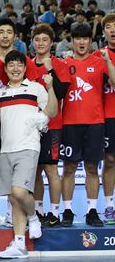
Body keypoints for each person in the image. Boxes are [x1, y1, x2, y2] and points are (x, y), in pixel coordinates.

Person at [0, 51, 56, 259]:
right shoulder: (0, 93)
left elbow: (51, 112)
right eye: (11, 65)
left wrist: (51, 87)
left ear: (25, 68)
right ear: (5, 69)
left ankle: (33, 216)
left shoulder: (36, 89)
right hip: (6, 150)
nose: (15, 68)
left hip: (28, 146)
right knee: (13, 198)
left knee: (19, 192)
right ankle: (19, 244)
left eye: (19, 65)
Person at [0, 19, 39, 227]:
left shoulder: (24, 61)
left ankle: (10, 211)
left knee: (13, 168)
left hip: (17, 122)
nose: (5, 35)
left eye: (9, 32)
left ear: (15, 36)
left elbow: (32, 88)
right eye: (1, 32)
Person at [60, 23, 115, 227]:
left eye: (85, 38)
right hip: (70, 122)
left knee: (92, 167)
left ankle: (92, 210)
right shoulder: (63, 63)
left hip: (95, 123)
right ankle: (67, 211)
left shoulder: (99, 62)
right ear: (72, 41)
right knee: (69, 167)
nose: (81, 42)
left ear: (90, 41)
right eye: (77, 38)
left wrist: (108, 61)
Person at [30, 24, 70, 227]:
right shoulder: (27, 65)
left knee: (51, 170)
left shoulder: (59, 64)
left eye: (45, 40)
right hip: (31, 127)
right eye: (37, 40)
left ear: (51, 43)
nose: (41, 43)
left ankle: (55, 212)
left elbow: (62, 92)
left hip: (53, 125)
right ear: (32, 42)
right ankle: (38, 211)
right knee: (35, 170)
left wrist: (50, 70)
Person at [98, 13, 115, 224]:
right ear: (103, 33)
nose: (113, 30)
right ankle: (109, 206)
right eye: (109, 27)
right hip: (107, 116)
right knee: (109, 161)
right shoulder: (97, 57)